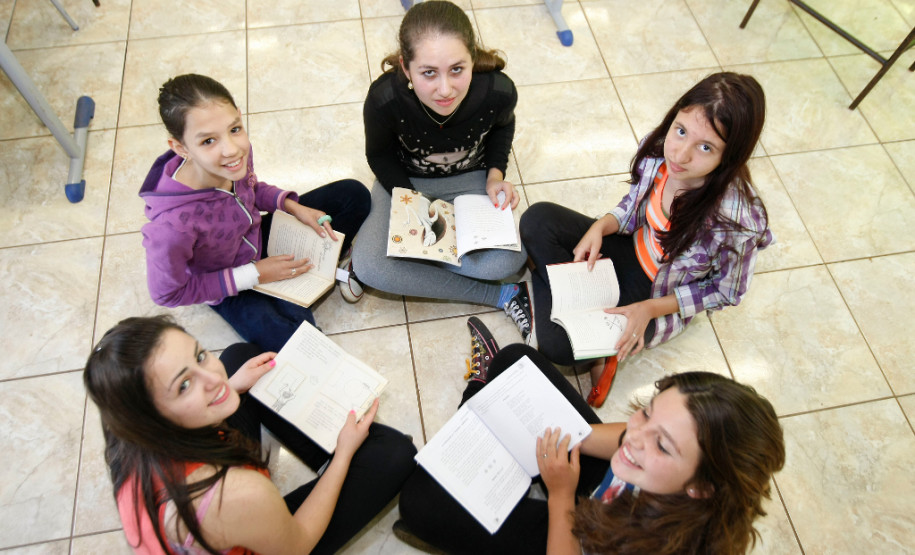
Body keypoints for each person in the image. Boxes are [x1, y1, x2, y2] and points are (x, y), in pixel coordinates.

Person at [394, 319, 785, 554]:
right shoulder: (648, 457)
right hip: (607, 495)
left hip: (583, 537)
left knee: (418, 502)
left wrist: (561, 491)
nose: (634, 436)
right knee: (517, 362)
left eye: (662, 444)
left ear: (701, 486)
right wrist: (569, 437)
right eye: (646, 413)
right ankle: (481, 404)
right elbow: (625, 438)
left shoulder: (661, 545)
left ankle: (475, 400)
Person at [85, 315, 416, 555]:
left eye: (200, 355)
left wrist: (232, 386)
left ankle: (328, 452)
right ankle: (332, 458)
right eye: (184, 385)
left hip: (206, 501)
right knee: (394, 454)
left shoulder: (123, 430)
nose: (212, 377)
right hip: (272, 540)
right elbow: (297, 545)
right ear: (153, 419)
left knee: (239, 358)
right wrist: (343, 455)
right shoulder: (234, 494)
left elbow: (216, 381)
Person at [519, 72, 773, 377]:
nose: (680, 154)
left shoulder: (736, 222)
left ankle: (569, 306)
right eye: (680, 131)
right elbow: (635, 206)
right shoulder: (658, 150)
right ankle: (584, 316)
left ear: (731, 156)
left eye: (706, 148)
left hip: (656, 295)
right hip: (628, 250)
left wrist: (649, 310)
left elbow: (725, 291)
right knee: (538, 219)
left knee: (557, 348)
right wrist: (602, 226)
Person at [140, 74, 371, 353]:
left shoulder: (235, 154)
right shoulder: (171, 228)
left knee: (354, 194)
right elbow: (168, 292)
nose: (231, 149)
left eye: (235, 129)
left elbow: (251, 190)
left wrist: (292, 206)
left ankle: (327, 265)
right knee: (300, 343)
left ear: (239, 117)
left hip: (257, 236)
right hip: (228, 282)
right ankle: (317, 272)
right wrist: (255, 274)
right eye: (208, 141)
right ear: (180, 148)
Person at [353, 0, 533, 341]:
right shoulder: (383, 100)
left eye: (457, 69)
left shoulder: (498, 90)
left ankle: (417, 261)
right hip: (405, 183)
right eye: (428, 73)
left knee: (509, 262)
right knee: (370, 266)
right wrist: (413, 202)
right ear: (406, 68)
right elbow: (378, 156)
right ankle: (500, 296)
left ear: (472, 58)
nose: (445, 89)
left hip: (470, 182)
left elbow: (502, 129)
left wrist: (496, 175)